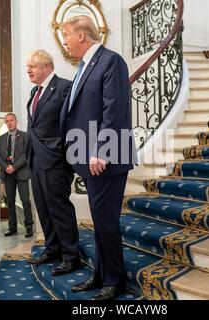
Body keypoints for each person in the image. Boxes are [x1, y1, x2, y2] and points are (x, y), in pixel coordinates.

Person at [60, 16, 136, 300]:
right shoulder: (84, 66)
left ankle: (114, 280)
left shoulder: (110, 61)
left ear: (82, 35)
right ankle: (102, 274)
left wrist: (101, 150)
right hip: (88, 155)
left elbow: (113, 110)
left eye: (67, 35)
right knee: (99, 220)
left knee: (106, 222)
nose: (65, 41)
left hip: (107, 157)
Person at [24, 49, 81, 276]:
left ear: (47, 67)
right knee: (44, 208)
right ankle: (52, 248)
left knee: (59, 208)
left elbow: (73, 122)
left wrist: (62, 150)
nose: (29, 70)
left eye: (33, 66)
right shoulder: (34, 91)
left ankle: (70, 256)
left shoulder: (64, 87)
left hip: (55, 160)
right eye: (28, 66)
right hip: (35, 158)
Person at [0, 113, 34, 237]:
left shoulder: (24, 136)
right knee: (10, 201)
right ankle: (12, 227)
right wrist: (7, 168)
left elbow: (26, 154)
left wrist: (14, 166)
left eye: (11, 120)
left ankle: (29, 228)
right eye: (7, 121)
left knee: (25, 200)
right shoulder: (1, 138)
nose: (9, 123)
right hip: (7, 174)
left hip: (21, 172)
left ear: (16, 121)